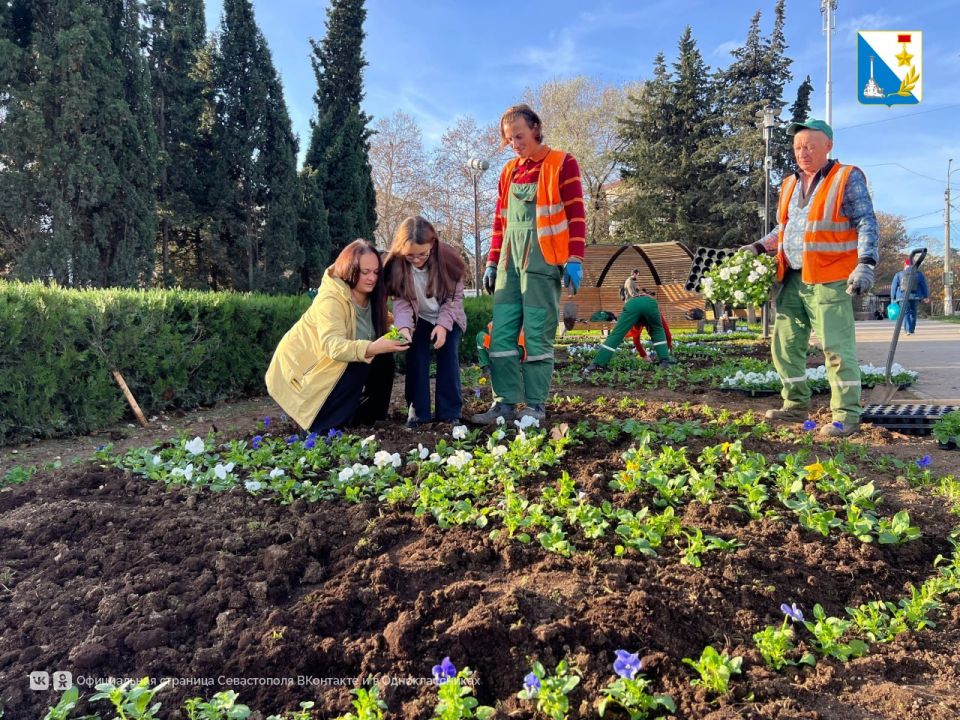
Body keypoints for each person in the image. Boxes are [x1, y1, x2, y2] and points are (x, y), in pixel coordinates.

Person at [740, 119, 878, 438]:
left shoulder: (846, 177)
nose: (803, 152)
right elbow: (785, 228)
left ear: (828, 146)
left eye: (810, 146)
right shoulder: (790, 183)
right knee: (785, 346)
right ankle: (795, 405)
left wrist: (866, 263)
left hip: (830, 277)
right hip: (793, 277)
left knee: (835, 346)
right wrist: (759, 246)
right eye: (799, 147)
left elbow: (867, 223)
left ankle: (846, 415)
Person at [470, 104, 586, 425]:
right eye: (509, 140)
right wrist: (493, 261)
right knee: (502, 333)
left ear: (535, 128)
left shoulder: (562, 163)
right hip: (509, 262)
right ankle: (504, 405)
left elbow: (576, 213)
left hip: (543, 260)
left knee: (536, 332)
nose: (515, 143)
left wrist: (575, 258)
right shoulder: (508, 172)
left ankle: (535, 405)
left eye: (519, 136)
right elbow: (500, 220)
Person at [265, 240, 409, 434]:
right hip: (301, 377)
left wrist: (400, 332)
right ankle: (325, 423)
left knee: (384, 359)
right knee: (362, 358)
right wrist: (373, 347)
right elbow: (332, 346)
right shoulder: (331, 299)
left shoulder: (371, 298)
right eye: (365, 272)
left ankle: (370, 419)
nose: (372, 278)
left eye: (376, 272)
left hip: (332, 371)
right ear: (349, 269)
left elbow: (380, 325)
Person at [383, 216, 467, 427]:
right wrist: (403, 328)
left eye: (422, 254)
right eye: (410, 255)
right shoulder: (396, 266)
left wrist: (443, 325)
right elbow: (401, 302)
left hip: (449, 316)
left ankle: (449, 413)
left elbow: (454, 299)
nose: (417, 260)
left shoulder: (448, 260)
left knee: (448, 354)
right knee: (416, 355)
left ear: (433, 245)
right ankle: (418, 413)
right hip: (418, 317)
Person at [583, 290, 675, 371]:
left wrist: (644, 356)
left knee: (617, 334)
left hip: (632, 304)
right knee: (657, 330)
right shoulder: (654, 310)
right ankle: (665, 363)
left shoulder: (635, 325)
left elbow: (636, 341)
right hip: (650, 304)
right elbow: (666, 333)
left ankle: (598, 364)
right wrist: (665, 352)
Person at [891, 257, 930, 335]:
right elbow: (924, 286)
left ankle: (907, 330)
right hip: (915, 296)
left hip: (902, 297)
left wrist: (893, 297)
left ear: (905, 264)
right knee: (913, 312)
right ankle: (911, 329)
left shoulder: (899, 274)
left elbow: (894, 286)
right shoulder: (919, 274)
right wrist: (926, 296)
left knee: (906, 313)